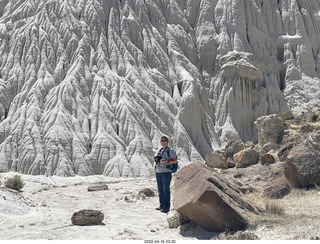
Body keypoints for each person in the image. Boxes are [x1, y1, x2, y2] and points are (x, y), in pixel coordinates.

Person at [154, 136, 177, 213]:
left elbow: (175, 161)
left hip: (166, 172)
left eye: (165, 140)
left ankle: (166, 207)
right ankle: (161, 205)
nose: (163, 142)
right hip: (158, 172)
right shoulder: (160, 151)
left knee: (166, 190)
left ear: (167, 142)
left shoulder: (170, 151)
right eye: (162, 140)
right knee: (160, 190)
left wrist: (167, 161)